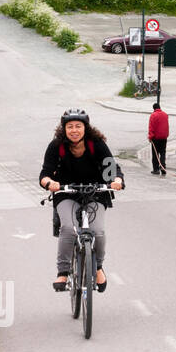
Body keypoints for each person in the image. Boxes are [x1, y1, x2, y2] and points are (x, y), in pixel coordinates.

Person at [38, 109, 125, 292]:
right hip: (66, 193)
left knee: (98, 231)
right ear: (64, 129)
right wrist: (50, 183)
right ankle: (63, 272)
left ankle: (98, 267)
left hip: (95, 192)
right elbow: (44, 174)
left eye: (78, 126)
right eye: (70, 127)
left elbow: (112, 169)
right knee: (68, 228)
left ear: (86, 128)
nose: (74, 130)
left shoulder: (96, 144)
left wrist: (116, 180)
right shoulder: (56, 146)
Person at [148, 102, 169, 175]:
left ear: (154, 109)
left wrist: (150, 137)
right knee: (163, 153)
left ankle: (156, 169)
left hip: (156, 138)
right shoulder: (165, 115)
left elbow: (151, 128)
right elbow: (166, 126)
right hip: (164, 137)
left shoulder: (153, 115)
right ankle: (163, 168)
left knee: (155, 154)